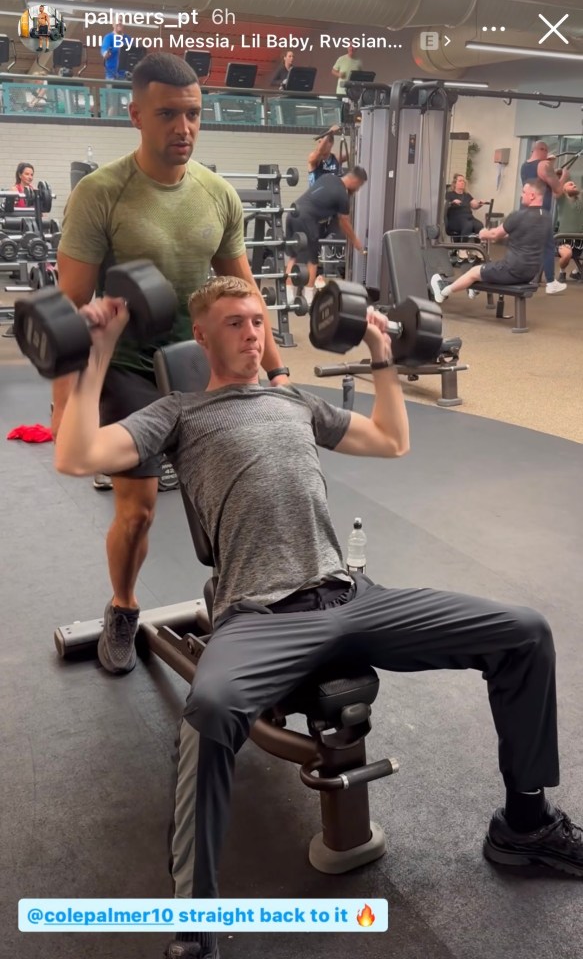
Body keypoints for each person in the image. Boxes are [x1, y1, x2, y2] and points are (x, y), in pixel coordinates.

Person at [54, 273, 583, 959]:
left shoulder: (294, 400)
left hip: (352, 595)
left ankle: (523, 822)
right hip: (259, 616)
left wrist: (382, 357)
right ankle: (193, 926)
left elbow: (392, 442)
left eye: (258, 319)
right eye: (236, 322)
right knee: (211, 711)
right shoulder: (178, 414)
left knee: (523, 632)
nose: (252, 330)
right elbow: (76, 456)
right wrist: (95, 356)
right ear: (204, 336)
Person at [54, 52, 290, 677]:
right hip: (130, 368)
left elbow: (244, 292)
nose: (182, 128)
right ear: (135, 115)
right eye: (167, 114)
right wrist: (65, 396)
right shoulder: (100, 194)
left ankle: (242, 607)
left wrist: (278, 373)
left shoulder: (215, 194)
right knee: (139, 509)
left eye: (192, 115)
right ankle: (124, 605)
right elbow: (69, 303)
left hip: (203, 365)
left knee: (246, 495)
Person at [431, 179, 551, 304]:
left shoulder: (518, 216)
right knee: (486, 269)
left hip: (512, 270)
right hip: (530, 272)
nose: (521, 195)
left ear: (532, 195)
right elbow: (528, 234)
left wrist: (483, 233)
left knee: (473, 272)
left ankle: (443, 291)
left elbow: (494, 234)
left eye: (524, 192)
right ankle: (471, 287)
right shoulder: (546, 217)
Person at [285, 166, 367, 305]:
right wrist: (356, 242)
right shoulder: (342, 194)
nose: (358, 190)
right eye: (359, 186)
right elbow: (344, 222)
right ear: (355, 181)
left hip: (293, 213)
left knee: (294, 255)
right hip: (307, 219)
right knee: (312, 259)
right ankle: (308, 298)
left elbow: (320, 198)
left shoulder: (328, 177)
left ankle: (287, 296)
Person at [520, 141, 570, 294]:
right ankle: (550, 282)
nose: (547, 155)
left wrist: (553, 171)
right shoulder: (544, 166)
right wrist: (564, 176)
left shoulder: (525, 166)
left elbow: (544, 185)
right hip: (540, 211)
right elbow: (558, 190)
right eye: (546, 151)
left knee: (527, 247)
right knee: (548, 246)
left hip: (525, 210)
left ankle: (524, 277)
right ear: (541, 149)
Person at [445, 173, 488, 239]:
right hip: (455, 219)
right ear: (454, 184)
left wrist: (479, 204)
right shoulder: (449, 194)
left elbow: (474, 205)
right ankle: (462, 247)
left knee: (480, 225)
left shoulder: (467, 195)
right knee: (467, 225)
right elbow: (445, 205)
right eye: (460, 181)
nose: (462, 182)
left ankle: (478, 247)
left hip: (469, 218)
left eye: (463, 181)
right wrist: (452, 202)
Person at [555, 179, 583, 282]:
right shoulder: (562, 200)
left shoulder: (581, 200)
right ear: (564, 190)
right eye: (571, 184)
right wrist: (562, 176)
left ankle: (576, 272)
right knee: (567, 255)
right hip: (564, 239)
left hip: (580, 240)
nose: (574, 185)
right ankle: (562, 272)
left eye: (575, 184)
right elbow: (556, 188)